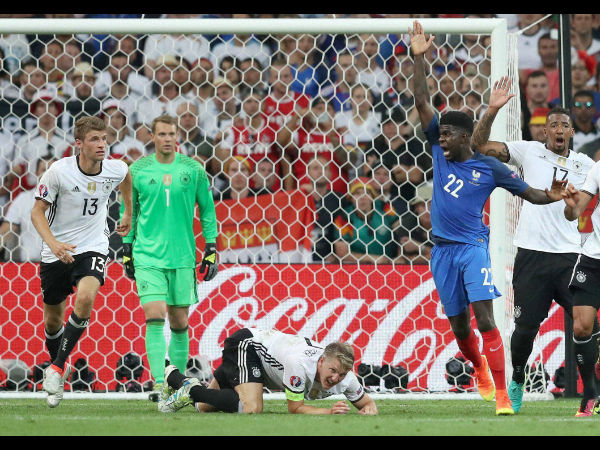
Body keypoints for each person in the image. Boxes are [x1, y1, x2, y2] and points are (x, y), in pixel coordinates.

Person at [409, 20, 569, 416]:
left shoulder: (489, 168)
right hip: (442, 252)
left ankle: (501, 393)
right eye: (439, 134)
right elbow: (422, 101)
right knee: (460, 327)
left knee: (485, 319)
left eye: (447, 134)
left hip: (473, 248)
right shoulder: (439, 154)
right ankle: (478, 367)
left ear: (465, 137)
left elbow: (528, 193)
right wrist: (418, 59)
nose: (440, 139)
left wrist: (550, 196)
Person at [472, 82, 599, 413]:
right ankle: (517, 381)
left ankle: (592, 394)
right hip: (531, 254)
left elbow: (583, 208)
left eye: (564, 125)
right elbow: (479, 145)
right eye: (552, 124)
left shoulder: (586, 165)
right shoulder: (528, 151)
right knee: (525, 328)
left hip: (573, 256)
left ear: (572, 131)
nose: (558, 129)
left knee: (588, 325)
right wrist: (493, 108)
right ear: (544, 132)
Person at [30, 116, 132, 408]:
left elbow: (126, 178)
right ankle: (56, 370)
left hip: (93, 246)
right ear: (79, 144)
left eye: (104, 139)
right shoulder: (58, 173)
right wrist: (54, 244)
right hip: (56, 250)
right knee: (52, 321)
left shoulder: (114, 168)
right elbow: (37, 213)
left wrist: (126, 212)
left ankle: (58, 367)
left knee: (86, 297)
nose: (102, 145)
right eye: (94, 140)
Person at [121, 114, 218, 403]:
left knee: (178, 322)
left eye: (171, 134)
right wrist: (127, 246)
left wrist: (211, 247)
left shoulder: (193, 169)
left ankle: (174, 385)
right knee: (154, 316)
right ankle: (160, 381)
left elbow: (208, 210)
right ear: (152, 136)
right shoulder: (136, 170)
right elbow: (129, 211)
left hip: (182, 257)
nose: (167, 139)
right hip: (147, 255)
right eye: (161, 134)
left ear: (177, 136)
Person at [158, 327, 378, 415]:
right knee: (251, 408)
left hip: (262, 364)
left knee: (204, 408)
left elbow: (368, 403)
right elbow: (295, 408)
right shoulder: (299, 364)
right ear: (321, 362)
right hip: (247, 345)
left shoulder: (347, 379)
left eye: (341, 374)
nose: (335, 378)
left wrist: (369, 410)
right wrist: (328, 412)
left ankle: (176, 379)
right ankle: (190, 389)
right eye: (332, 370)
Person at [562, 163, 600, 416]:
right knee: (581, 326)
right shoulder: (598, 169)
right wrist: (570, 203)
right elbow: (573, 213)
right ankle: (590, 394)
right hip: (593, 257)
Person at [0, 157, 55, 262]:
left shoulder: (68, 200)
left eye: (52, 171)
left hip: (60, 267)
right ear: (36, 173)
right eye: (44, 170)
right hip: (29, 266)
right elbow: (5, 232)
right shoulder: (23, 199)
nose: (47, 174)